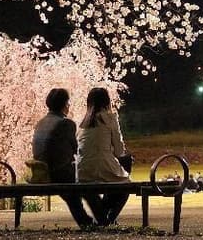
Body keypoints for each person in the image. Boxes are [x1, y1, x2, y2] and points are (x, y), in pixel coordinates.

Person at [31, 88, 96, 229]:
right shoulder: (65, 123)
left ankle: (89, 222)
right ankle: (100, 220)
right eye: (68, 102)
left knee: (76, 194)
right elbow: (76, 149)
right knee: (87, 184)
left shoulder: (41, 122)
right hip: (58, 172)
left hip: (43, 171)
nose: (69, 105)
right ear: (65, 104)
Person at [77, 87, 130, 226]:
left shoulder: (82, 122)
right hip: (104, 165)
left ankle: (103, 220)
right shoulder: (110, 118)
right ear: (107, 101)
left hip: (83, 169)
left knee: (103, 186)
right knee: (126, 186)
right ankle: (108, 219)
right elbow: (119, 151)